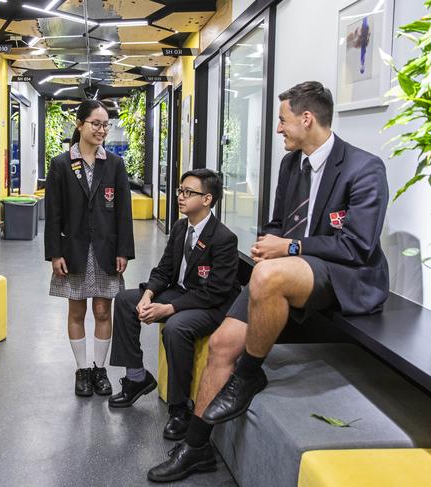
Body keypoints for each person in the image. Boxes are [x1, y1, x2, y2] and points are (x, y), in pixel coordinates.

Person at [147, 80, 389, 483]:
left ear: (307, 119)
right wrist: (267, 243)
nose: (278, 128)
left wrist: (289, 248)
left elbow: (357, 247)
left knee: (270, 274)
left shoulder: (364, 168)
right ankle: (196, 447)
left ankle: (249, 374)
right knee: (223, 341)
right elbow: (278, 222)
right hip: (286, 272)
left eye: (283, 120)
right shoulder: (290, 165)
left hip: (344, 274)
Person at [109, 169, 240, 442]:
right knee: (125, 301)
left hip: (210, 305)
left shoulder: (224, 239)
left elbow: (216, 292)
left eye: (187, 192)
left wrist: (168, 309)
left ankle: (180, 409)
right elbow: (164, 270)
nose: (180, 196)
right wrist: (148, 295)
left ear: (207, 199)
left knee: (176, 328)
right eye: (180, 190)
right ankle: (136, 377)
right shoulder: (181, 227)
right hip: (180, 293)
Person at [45, 99, 135, 397]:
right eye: (96, 123)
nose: (101, 130)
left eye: (105, 125)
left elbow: (124, 211)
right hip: (74, 249)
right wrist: (55, 253)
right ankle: (81, 370)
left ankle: (99, 369)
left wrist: (123, 250)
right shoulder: (60, 164)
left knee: (102, 310)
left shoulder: (114, 163)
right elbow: (53, 213)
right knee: (76, 310)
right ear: (79, 124)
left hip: (106, 248)